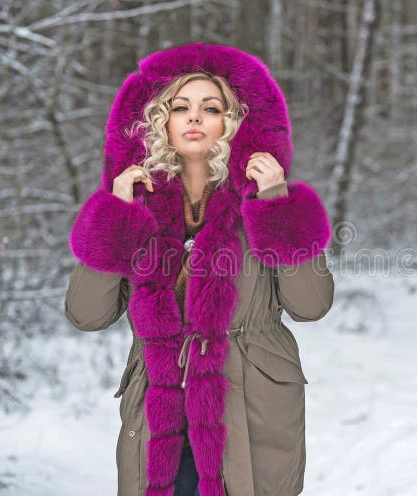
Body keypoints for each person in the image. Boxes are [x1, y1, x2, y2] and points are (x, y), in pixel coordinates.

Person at [64, 43, 334, 496]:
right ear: (159, 120)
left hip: (248, 410)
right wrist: (115, 214)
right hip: (161, 412)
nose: (194, 117)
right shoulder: (137, 208)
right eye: (179, 107)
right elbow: (86, 315)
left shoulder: (261, 202)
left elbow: (311, 306)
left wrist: (277, 206)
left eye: (211, 107)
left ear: (232, 122)